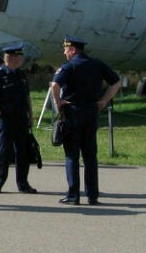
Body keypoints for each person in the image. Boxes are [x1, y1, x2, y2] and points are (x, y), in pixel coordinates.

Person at [50, 35, 122, 205]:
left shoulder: (69, 66)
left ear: (73, 50)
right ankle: (92, 195)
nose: (64, 52)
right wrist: (104, 100)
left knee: (72, 155)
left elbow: (54, 85)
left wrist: (58, 103)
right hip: (91, 111)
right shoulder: (97, 64)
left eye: (66, 49)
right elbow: (116, 82)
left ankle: (73, 195)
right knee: (90, 156)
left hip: (73, 111)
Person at [0, 43, 39, 195]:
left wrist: (30, 114)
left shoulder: (21, 75)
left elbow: (26, 97)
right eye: (20, 56)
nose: (22, 59)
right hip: (6, 119)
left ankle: (23, 183)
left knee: (23, 152)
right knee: (3, 151)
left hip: (21, 118)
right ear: (12, 57)